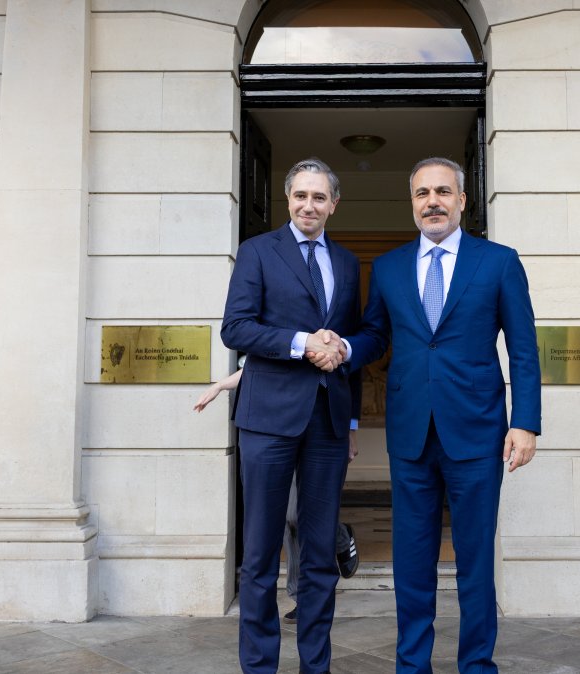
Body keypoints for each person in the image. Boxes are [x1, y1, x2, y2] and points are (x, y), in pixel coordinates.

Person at [333, 157, 541, 674]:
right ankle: (412, 666)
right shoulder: (389, 267)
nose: (433, 202)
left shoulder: (499, 262)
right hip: (410, 433)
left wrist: (525, 422)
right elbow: (375, 335)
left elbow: (523, 350)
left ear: (462, 201)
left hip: (477, 432)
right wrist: (342, 348)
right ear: (412, 203)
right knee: (411, 562)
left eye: (443, 192)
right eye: (423, 193)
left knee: (474, 561)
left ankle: (477, 665)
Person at [220, 157, 363, 674]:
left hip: (328, 422)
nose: (309, 205)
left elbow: (353, 341)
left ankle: (314, 666)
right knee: (260, 554)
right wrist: (303, 343)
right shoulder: (258, 252)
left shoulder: (346, 262)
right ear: (288, 200)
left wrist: (351, 420)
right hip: (267, 421)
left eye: (319, 197)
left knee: (320, 555)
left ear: (333, 204)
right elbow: (235, 328)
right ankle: (259, 666)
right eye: (301, 195)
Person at [192, 370, 362, 626]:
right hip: (273, 429)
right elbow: (259, 366)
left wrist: (351, 427)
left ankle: (337, 538)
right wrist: (220, 385)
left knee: (296, 516)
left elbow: (351, 371)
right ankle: (300, 594)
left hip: (318, 428)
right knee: (285, 521)